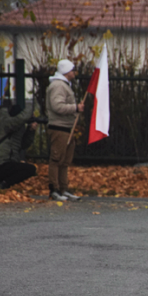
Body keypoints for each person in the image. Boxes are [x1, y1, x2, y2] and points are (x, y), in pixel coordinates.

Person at [46, 59, 85, 202]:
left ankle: (63, 189)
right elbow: (57, 106)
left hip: (66, 127)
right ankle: (54, 189)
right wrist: (75, 108)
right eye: (73, 70)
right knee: (56, 159)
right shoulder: (58, 86)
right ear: (66, 72)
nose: (75, 72)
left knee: (65, 161)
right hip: (59, 127)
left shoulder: (64, 85)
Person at [0, 101, 38, 189]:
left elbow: (23, 145)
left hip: (5, 163)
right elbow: (20, 119)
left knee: (29, 169)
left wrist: (30, 130)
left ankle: (1, 183)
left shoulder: (15, 129)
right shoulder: (4, 122)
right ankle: (3, 184)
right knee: (29, 169)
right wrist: (31, 106)